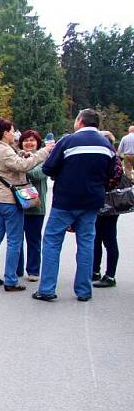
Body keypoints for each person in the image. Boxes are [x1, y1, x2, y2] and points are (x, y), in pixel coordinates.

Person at [33, 109, 120, 302]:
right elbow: (114, 173)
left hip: (66, 200)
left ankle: (47, 289)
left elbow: (48, 168)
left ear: (79, 121)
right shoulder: (106, 145)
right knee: (86, 243)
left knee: (52, 242)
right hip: (92, 201)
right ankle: (83, 290)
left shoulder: (68, 141)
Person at [0, 119, 51, 291]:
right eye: (12, 131)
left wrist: (23, 154)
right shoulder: (4, 150)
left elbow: (14, 162)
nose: (15, 134)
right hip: (10, 202)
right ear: (5, 133)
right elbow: (23, 166)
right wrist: (43, 152)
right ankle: (11, 280)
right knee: (15, 241)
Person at [15, 130, 49, 281]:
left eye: (32, 140)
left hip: (35, 205)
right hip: (17, 204)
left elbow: (37, 174)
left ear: (38, 143)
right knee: (16, 240)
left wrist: (21, 166)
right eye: (25, 140)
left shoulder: (44, 159)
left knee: (34, 239)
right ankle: (16, 269)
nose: (29, 143)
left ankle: (33, 271)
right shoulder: (16, 157)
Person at [92, 130, 124, 288]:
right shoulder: (111, 157)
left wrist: (97, 184)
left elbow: (116, 178)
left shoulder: (112, 158)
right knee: (96, 238)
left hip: (109, 204)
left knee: (108, 239)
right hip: (102, 202)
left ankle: (110, 275)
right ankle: (95, 270)